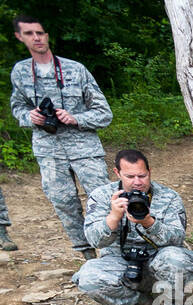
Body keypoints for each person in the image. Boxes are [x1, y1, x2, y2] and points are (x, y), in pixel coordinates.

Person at [9, 16, 111, 259]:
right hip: (49, 149)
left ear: (47, 35)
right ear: (19, 37)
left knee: (102, 198)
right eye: (30, 33)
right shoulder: (21, 72)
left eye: (41, 33)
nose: (37, 38)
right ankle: (87, 255)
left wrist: (76, 118)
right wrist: (29, 116)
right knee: (63, 202)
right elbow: (17, 107)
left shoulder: (75, 69)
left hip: (84, 147)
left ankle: (112, 252)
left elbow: (104, 114)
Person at [73, 149, 193, 305]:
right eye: (130, 176)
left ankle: (173, 302)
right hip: (121, 262)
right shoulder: (102, 197)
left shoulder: (169, 197)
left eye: (142, 176)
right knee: (89, 278)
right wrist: (112, 218)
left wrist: (149, 223)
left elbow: (177, 238)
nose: (137, 182)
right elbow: (95, 241)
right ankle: (142, 302)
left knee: (177, 260)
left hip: (158, 262)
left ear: (149, 172)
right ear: (117, 173)